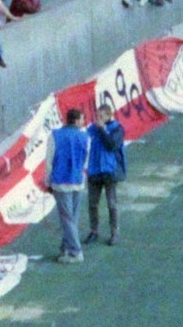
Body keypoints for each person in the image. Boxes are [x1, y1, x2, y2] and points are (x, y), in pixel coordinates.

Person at [47, 108, 91, 263]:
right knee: (73, 216)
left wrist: (48, 182)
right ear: (77, 120)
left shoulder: (55, 135)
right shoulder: (85, 137)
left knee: (67, 218)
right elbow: (86, 161)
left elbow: (49, 162)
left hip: (60, 181)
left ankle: (75, 251)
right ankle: (66, 248)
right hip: (77, 180)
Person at [83, 105, 127, 246]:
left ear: (109, 115)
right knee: (92, 204)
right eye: (97, 116)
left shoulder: (117, 129)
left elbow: (111, 145)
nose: (98, 119)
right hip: (95, 171)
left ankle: (114, 232)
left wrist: (101, 129)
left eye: (101, 116)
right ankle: (93, 231)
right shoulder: (92, 129)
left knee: (111, 204)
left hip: (110, 171)